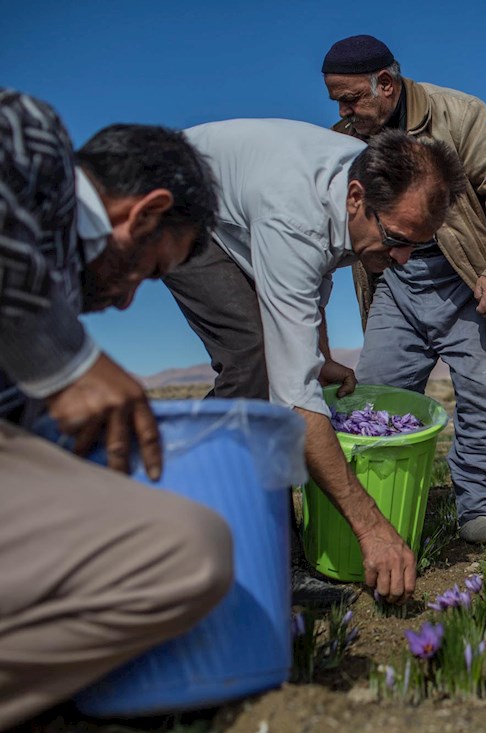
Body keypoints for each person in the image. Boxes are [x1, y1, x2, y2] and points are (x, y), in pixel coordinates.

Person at [0, 90, 232, 728]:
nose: (128, 303)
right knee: (187, 552)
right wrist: (64, 360)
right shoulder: (32, 136)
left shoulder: (63, 280)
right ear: (146, 211)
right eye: (148, 272)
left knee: (181, 546)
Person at [162, 121, 466, 604]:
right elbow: (294, 398)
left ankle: (213, 496)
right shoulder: (295, 216)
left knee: (268, 375)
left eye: (417, 244)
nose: (404, 259)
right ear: (355, 199)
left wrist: (319, 357)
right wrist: (373, 531)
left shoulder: (362, 195)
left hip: (243, 214)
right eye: (396, 238)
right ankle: (237, 540)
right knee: (251, 363)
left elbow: (314, 282)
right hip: (181, 203)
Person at [322, 35, 486, 545]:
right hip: (395, 285)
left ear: (388, 84)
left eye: (352, 98)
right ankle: (379, 512)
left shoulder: (458, 116)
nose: (343, 110)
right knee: (376, 397)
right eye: (336, 100)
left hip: (467, 279)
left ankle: (476, 511)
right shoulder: (343, 140)